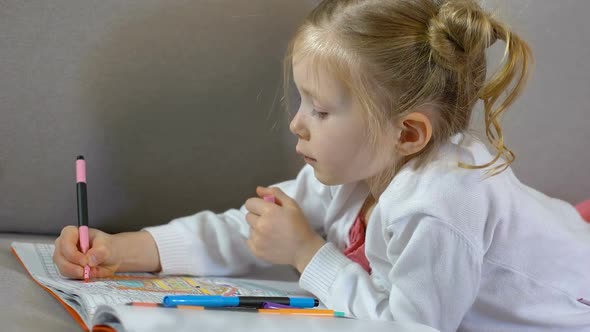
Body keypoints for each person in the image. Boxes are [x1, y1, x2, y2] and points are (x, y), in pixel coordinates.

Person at [53, 0, 590, 330]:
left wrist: (308, 253)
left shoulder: (441, 204)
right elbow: (254, 228)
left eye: (321, 109)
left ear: (407, 132)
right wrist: (128, 249)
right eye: (301, 101)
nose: (297, 124)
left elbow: (416, 325)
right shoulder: (356, 169)